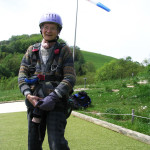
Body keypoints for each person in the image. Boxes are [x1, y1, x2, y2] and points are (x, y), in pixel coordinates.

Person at [18, 12, 76, 150]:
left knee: (57, 144)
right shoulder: (32, 50)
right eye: (45, 27)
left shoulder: (64, 50)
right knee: (33, 144)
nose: (48, 31)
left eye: (53, 28)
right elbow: (21, 76)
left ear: (58, 31)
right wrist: (28, 95)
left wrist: (54, 96)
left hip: (56, 103)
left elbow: (70, 77)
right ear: (41, 29)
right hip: (35, 103)